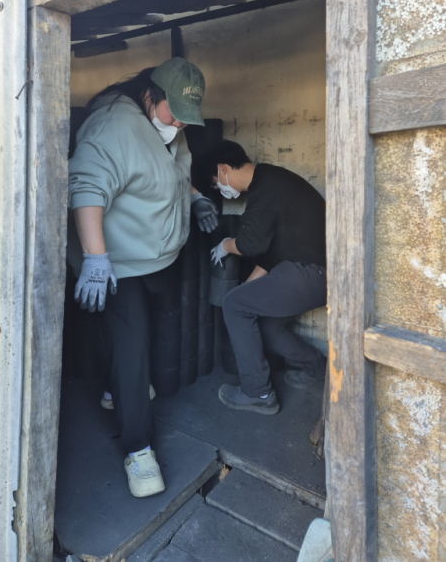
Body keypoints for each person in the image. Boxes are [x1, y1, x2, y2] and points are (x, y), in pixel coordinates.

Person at [67, 58, 218, 498]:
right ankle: (138, 450)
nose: (179, 124)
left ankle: (114, 389)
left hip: (155, 258)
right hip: (118, 263)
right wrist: (96, 259)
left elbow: (175, 173)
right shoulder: (113, 124)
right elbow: (86, 188)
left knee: (130, 338)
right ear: (150, 95)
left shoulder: (169, 128)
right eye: (174, 114)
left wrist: (195, 198)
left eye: (185, 118)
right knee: (133, 349)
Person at [205, 140, 326, 415]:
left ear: (223, 170)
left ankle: (257, 393)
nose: (220, 189)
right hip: (314, 272)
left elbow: (250, 244)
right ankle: (317, 367)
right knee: (266, 325)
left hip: (311, 272)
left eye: (215, 183)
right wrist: (249, 287)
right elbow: (273, 253)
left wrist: (225, 245)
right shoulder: (271, 182)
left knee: (233, 304)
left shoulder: (265, 186)